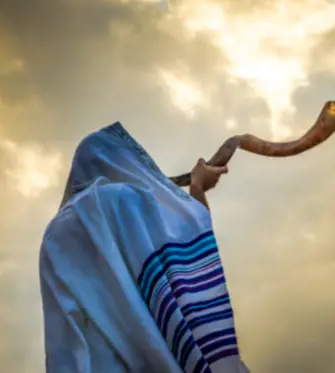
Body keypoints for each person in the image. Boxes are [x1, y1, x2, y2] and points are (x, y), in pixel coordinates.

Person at [39, 122, 250, 373]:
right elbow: (186, 235)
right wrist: (197, 188)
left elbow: (62, 325)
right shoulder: (120, 200)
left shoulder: (54, 235)